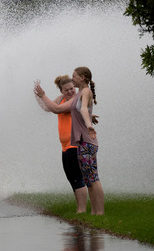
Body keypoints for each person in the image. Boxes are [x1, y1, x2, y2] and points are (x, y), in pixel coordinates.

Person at [34, 67, 105, 215]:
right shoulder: (66, 99)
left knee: (87, 178)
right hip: (67, 145)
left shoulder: (80, 95)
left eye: (72, 86)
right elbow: (50, 108)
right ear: (61, 91)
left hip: (79, 142)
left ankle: (88, 210)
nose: (70, 90)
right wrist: (39, 96)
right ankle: (90, 211)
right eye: (66, 89)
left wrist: (43, 95)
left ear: (82, 79)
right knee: (76, 178)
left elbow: (58, 109)